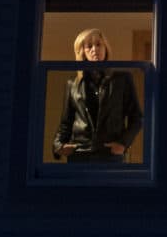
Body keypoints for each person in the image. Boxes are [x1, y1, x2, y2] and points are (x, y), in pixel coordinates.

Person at [51, 28, 144, 163]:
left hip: (109, 153)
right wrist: (58, 146)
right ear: (82, 52)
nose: (95, 49)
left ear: (106, 48)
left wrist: (123, 144)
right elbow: (66, 122)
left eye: (99, 44)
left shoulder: (121, 79)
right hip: (80, 154)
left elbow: (137, 118)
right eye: (89, 46)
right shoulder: (73, 83)